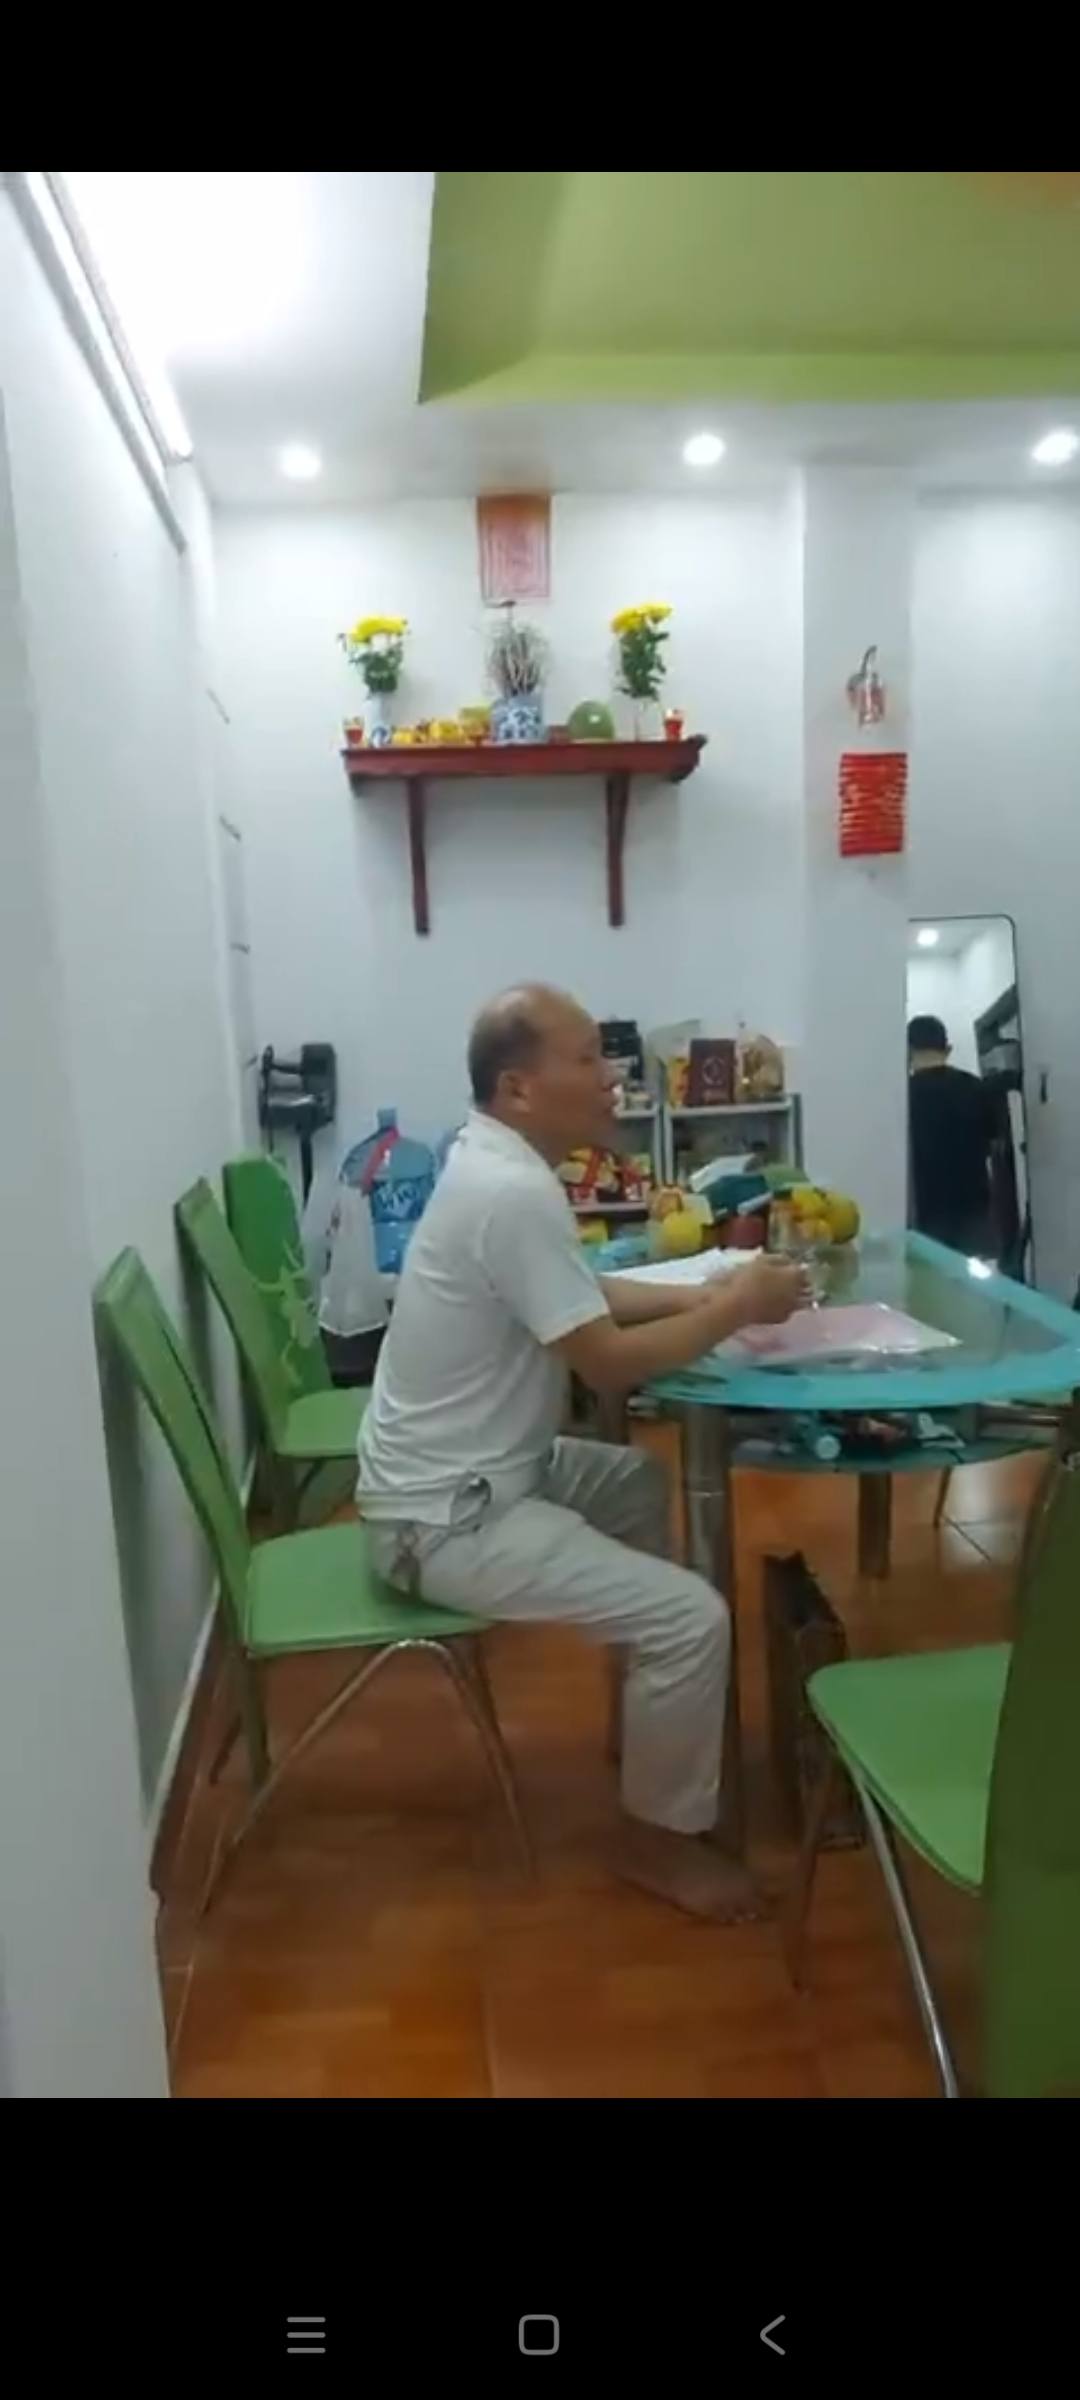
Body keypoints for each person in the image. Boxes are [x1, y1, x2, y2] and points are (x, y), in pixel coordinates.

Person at [357, 984, 806, 1921]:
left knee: (635, 1481)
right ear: (519, 1088)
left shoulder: (496, 1164)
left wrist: (699, 1297)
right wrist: (734, 1307)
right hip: (443, 1520)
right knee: (693, 1617)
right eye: (587, 1059)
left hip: (477, 1478)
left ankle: (648, 1723)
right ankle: (656, 1840)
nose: (611, 1077)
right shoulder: (510, 1191)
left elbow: (575, 1297)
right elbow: (604, 1365)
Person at [908, 1014, 996, 1256]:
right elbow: (993, 1142)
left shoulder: (903, 1096)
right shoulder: (977, 1088)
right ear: (947, 1049)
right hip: (974, 1210)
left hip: (925, 1212)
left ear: (908, 1050)